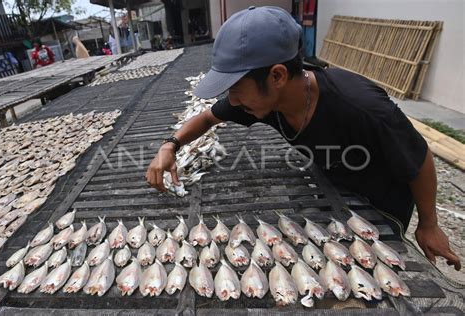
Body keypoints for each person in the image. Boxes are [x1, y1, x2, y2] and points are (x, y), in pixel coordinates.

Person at [145, 6, 461, 271]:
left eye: (235, 88)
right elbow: (206, 118)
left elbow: (420, 160)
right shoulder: (262, 101)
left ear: (278, 75)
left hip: (381, 202)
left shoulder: (362, 107)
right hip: (334, 185)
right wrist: (169, 146)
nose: (233, 100)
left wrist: (429, 224)